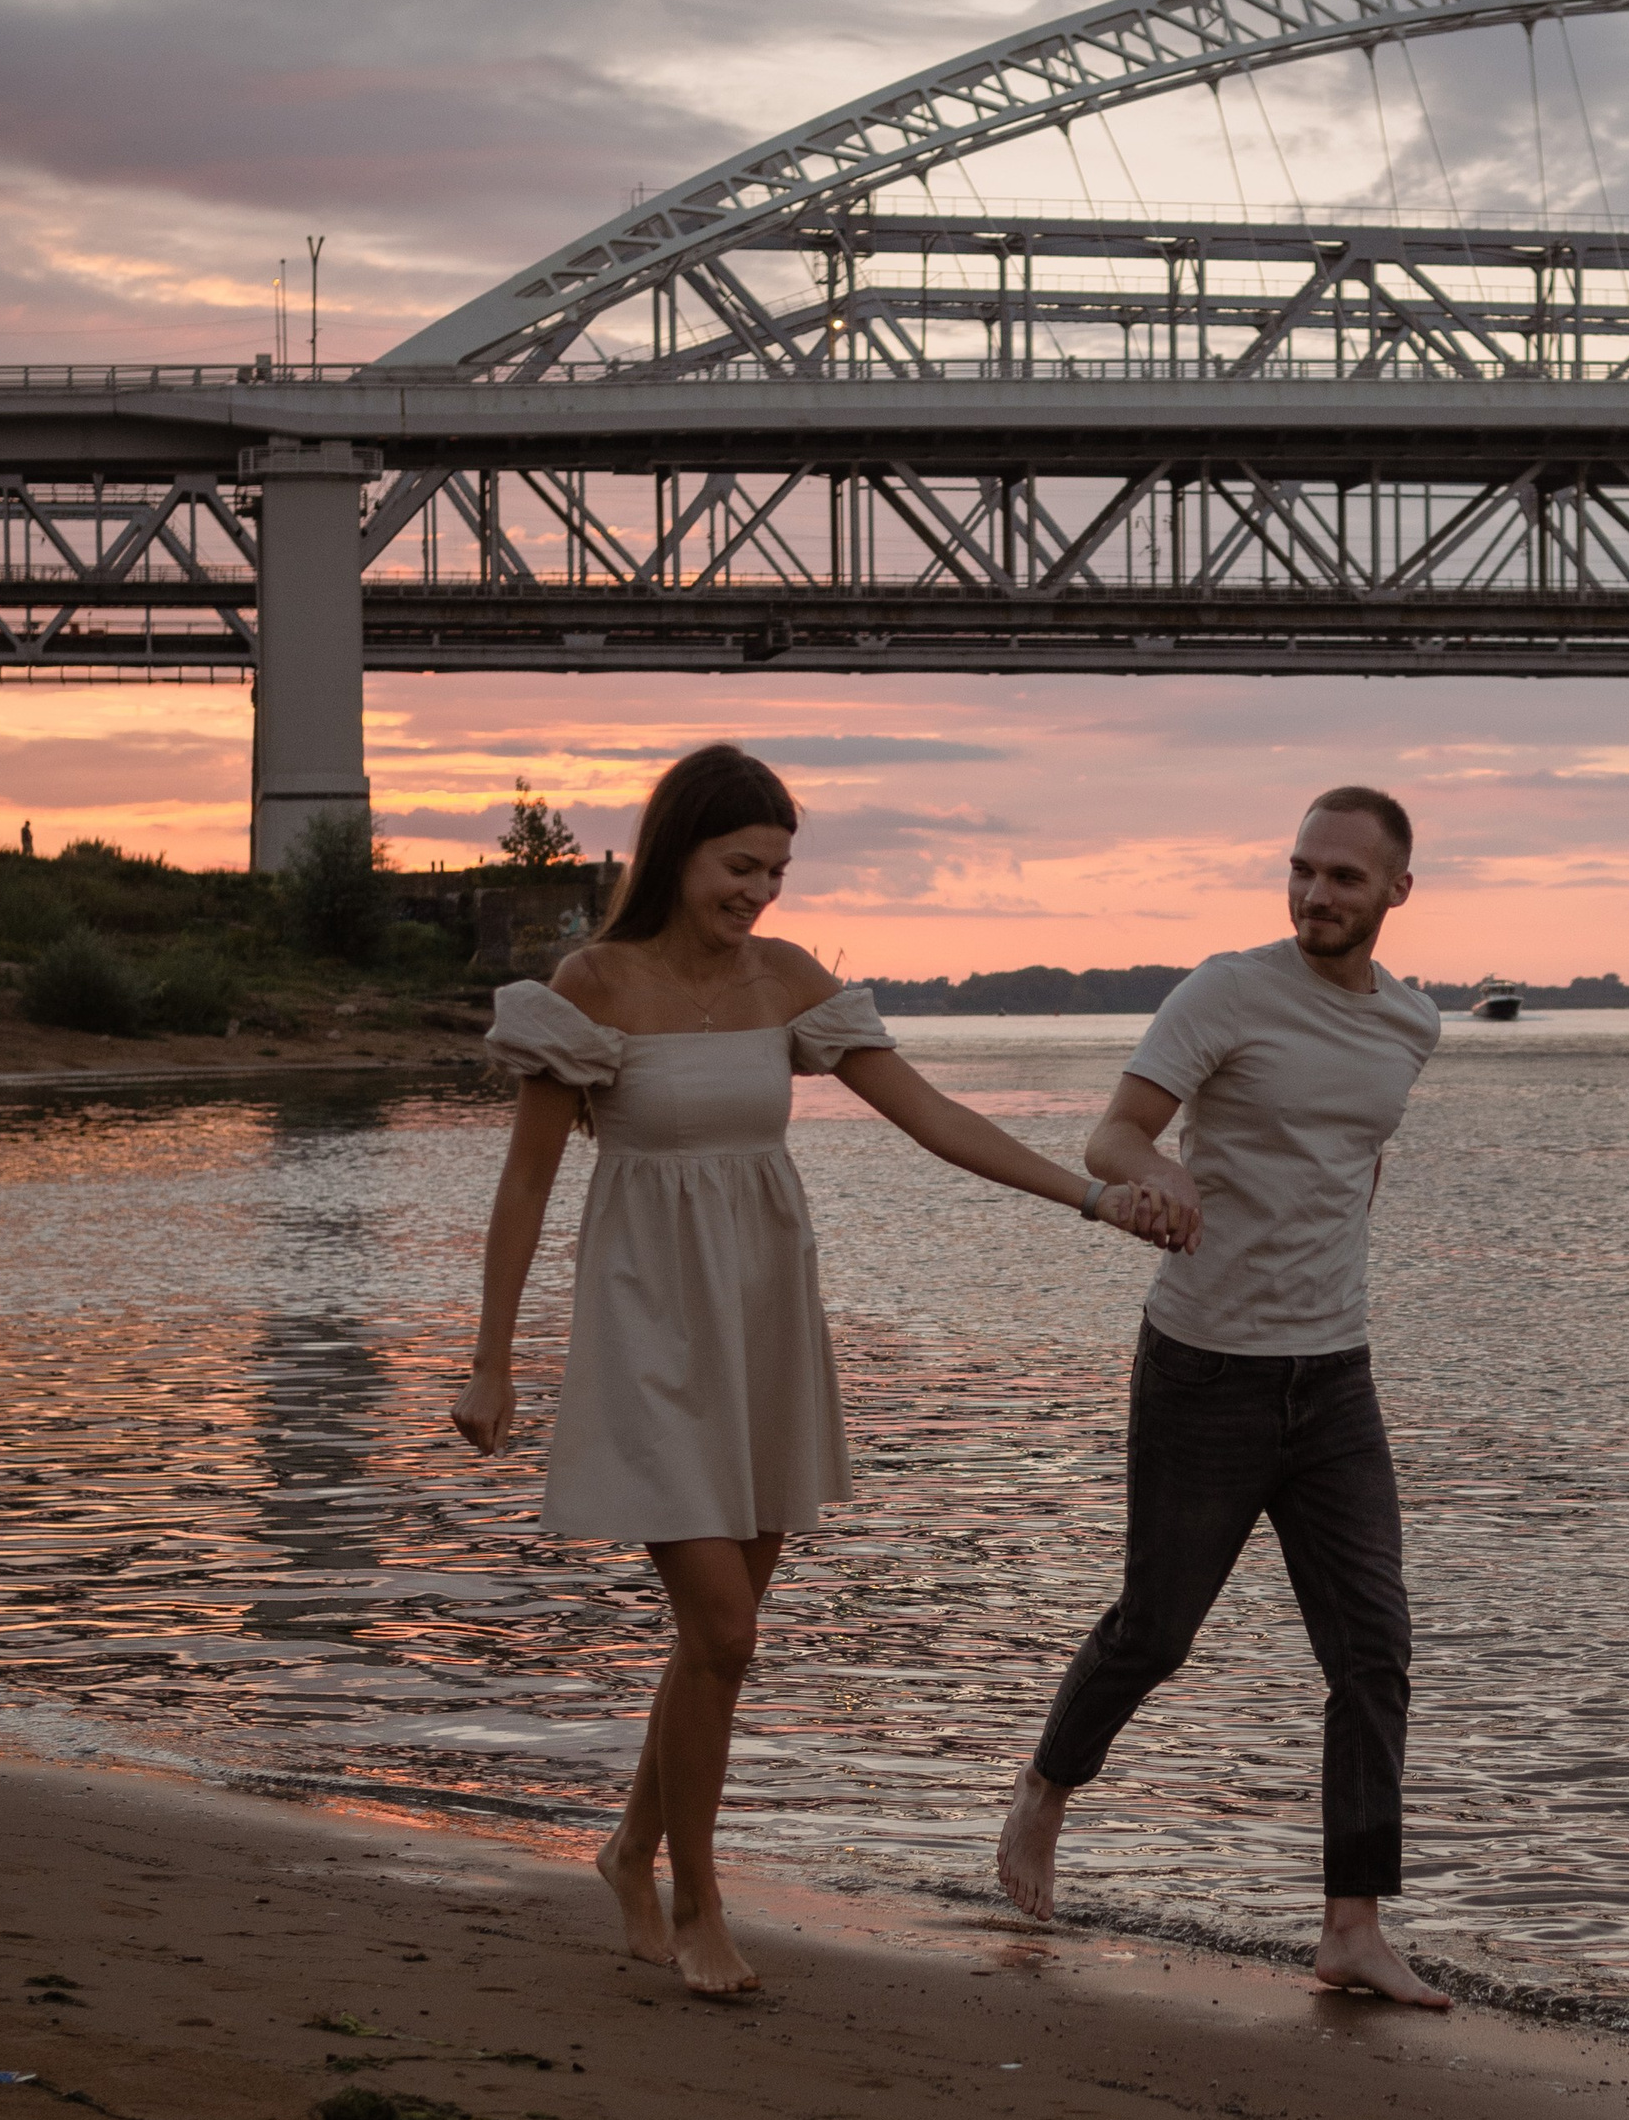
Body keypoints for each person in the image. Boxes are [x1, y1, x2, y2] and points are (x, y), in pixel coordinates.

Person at [452, 742, 1186, 1998]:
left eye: (777, 871)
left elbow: (933, 1114)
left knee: (715, 1643)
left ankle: (631, 1850)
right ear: (678, 847)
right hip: (646, 1326)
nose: (759, 892)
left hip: (764, 1322)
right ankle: (700, 1902)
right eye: (740, 864)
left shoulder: (789, 980)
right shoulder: (593, 984)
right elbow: (526, 1181)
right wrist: (491, 1360)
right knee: (724, 1627)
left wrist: (1091, 1196)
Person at [996, 787, 1448, 2008]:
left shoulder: (1412, 1024)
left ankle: (1351, 1924)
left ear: (1396, 892)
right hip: (1205, 1370)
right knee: (1155, 1630)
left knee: (1373, 1652)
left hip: (1335, 1376)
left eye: (1345, 878)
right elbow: (1111, 1135)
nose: (1316, 895)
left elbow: (1355, 1163)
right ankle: (1044, 1789)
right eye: (1302, 870)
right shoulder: (1225, 990)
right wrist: (1163, 1170)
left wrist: (1325, 1273)